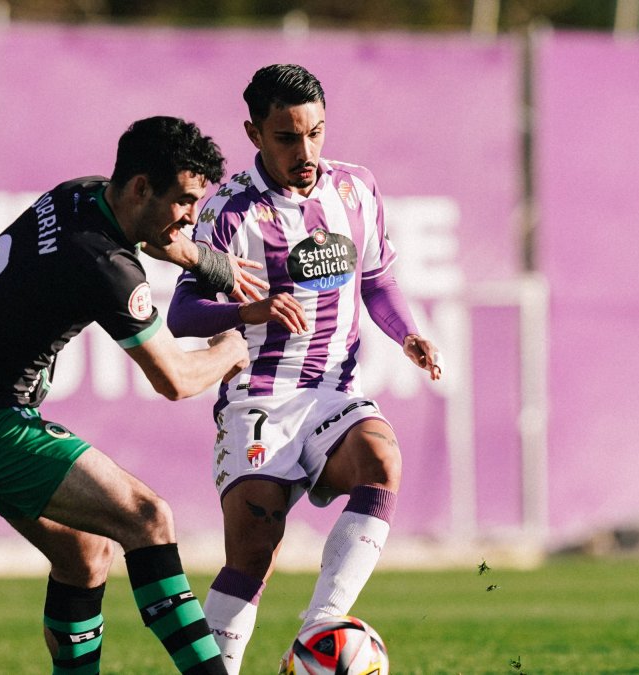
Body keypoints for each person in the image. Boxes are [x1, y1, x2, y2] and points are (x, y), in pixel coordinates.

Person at [0, 116, 268, 675]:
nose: (189, 218)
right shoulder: (105, 266)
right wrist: (231, 346)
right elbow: (173, 380)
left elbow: (159, 240)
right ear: (140, 188)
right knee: (148, 518)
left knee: (84, 557)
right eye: (184, 201)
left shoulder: (79, 195)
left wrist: (205, 260)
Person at [166, 64, 442, 672]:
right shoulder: (231, 212)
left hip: (333, 389)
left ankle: (321, 627)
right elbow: (183, 314)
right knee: (253, 557)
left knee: (381, 461)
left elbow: (377, 277)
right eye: (288, 138)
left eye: (315, 133)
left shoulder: (356, 189)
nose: (306, 151)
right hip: (259, 398)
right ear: (254, 133)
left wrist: (408, 335)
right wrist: (252, 307)